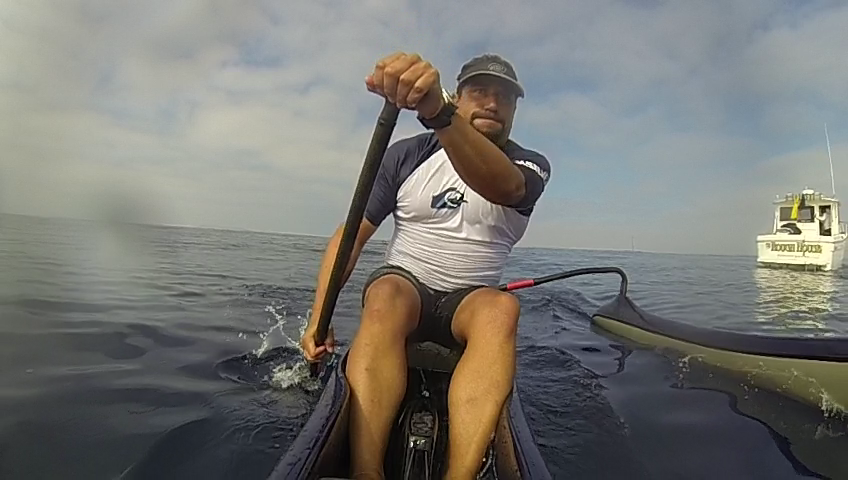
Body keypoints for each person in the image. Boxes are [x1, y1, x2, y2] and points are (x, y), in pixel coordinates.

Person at [300, 51, 551, 480]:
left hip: (469, 303)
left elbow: (506, 188)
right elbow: (351, 235)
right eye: (480, 91)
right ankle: (366, 471)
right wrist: (317, 317)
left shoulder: (530, 165)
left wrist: (438, 113)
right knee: (384, 295)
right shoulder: (408, 155)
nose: (493, 103)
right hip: (406, 289)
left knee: (502, 309)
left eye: (506, 97)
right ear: (459, 96)